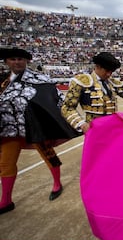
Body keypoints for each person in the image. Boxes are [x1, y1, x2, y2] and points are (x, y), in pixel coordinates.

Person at [0, 47, 79, 215]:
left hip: (34, 125)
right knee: (6, 163)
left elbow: (55, 100)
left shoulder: (40, 78)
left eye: (20, 59)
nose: (17, 62)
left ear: (27, 61)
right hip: (9, 128)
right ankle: (6, 200)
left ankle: (57, 183)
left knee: (48, 155)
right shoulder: (2, 81)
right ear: (6, 62)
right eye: (13, 59)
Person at [61, 52, 123, 134]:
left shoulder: (112, 83)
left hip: (112, 128)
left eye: (111, 71)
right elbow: (67, 107)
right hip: (94, 129)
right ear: (97, 66)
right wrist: (81, 124)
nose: (109, 74)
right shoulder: (81, 81)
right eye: (107, 71)